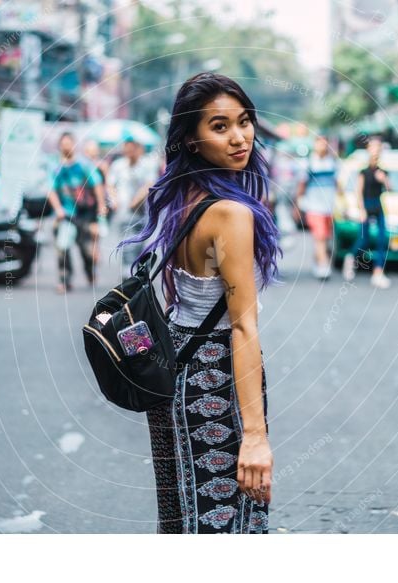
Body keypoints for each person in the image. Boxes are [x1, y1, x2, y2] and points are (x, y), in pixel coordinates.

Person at [119, 72, 280, 534]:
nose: (239, 137)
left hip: (175, 372)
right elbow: (243, 326)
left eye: (244, 121)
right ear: (190, 140)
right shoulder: (230, 212)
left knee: (183, 524)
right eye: (219, 126)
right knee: (225, 527)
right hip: (213, 376)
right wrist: (254, 436)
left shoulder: (185, 198)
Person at [47, 132, 108, 292]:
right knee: (62, 246)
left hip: (85, 214)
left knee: (86, 249)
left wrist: (101, 205)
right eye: (63, 143)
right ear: (60, 146)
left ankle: (90, 272)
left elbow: (97, 184)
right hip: (67, 214)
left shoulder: (83, 165)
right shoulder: (56, 168)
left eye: (69, 143)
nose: (66, 146)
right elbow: (51, 191)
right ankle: (65, 279)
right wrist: (58, 209)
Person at [342, 137, 392, 289]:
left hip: (378, 205)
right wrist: (362, 209)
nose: (376, 150)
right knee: (364, 238)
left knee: (382, 238)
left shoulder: (382, 171)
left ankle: (378, 273)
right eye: (373, 147)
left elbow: (390, 189)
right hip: (367, 205)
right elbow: (358, 191)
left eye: (378, 147)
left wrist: (384, 180)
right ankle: (350, 259)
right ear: (368, 150)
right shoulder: (363, 171)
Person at [107, 136, 158, 272]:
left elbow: (149, 184)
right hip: (122, 213)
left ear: (138, 149)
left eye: (131, 149)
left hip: (140, 212)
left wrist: (135, 202)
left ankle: (134, 270)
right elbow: (110, 184)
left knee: (137, 243)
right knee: (125, 242)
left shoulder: (147, 164)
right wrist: (114, 199)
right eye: (126, 149)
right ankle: (128, 272)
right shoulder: (118, 165)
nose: (129, 152)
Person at [295, 135, 340, 279]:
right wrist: (297, 205)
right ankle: (323, 265)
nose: (323, 147)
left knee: (325, 238)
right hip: (313, 207)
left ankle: (318, 261)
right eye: (320, 144)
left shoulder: (333, 162)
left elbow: (338, 184)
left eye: (325, 144)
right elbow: (301, 185)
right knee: (319, 237)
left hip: (330, 207)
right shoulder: (309, 163)